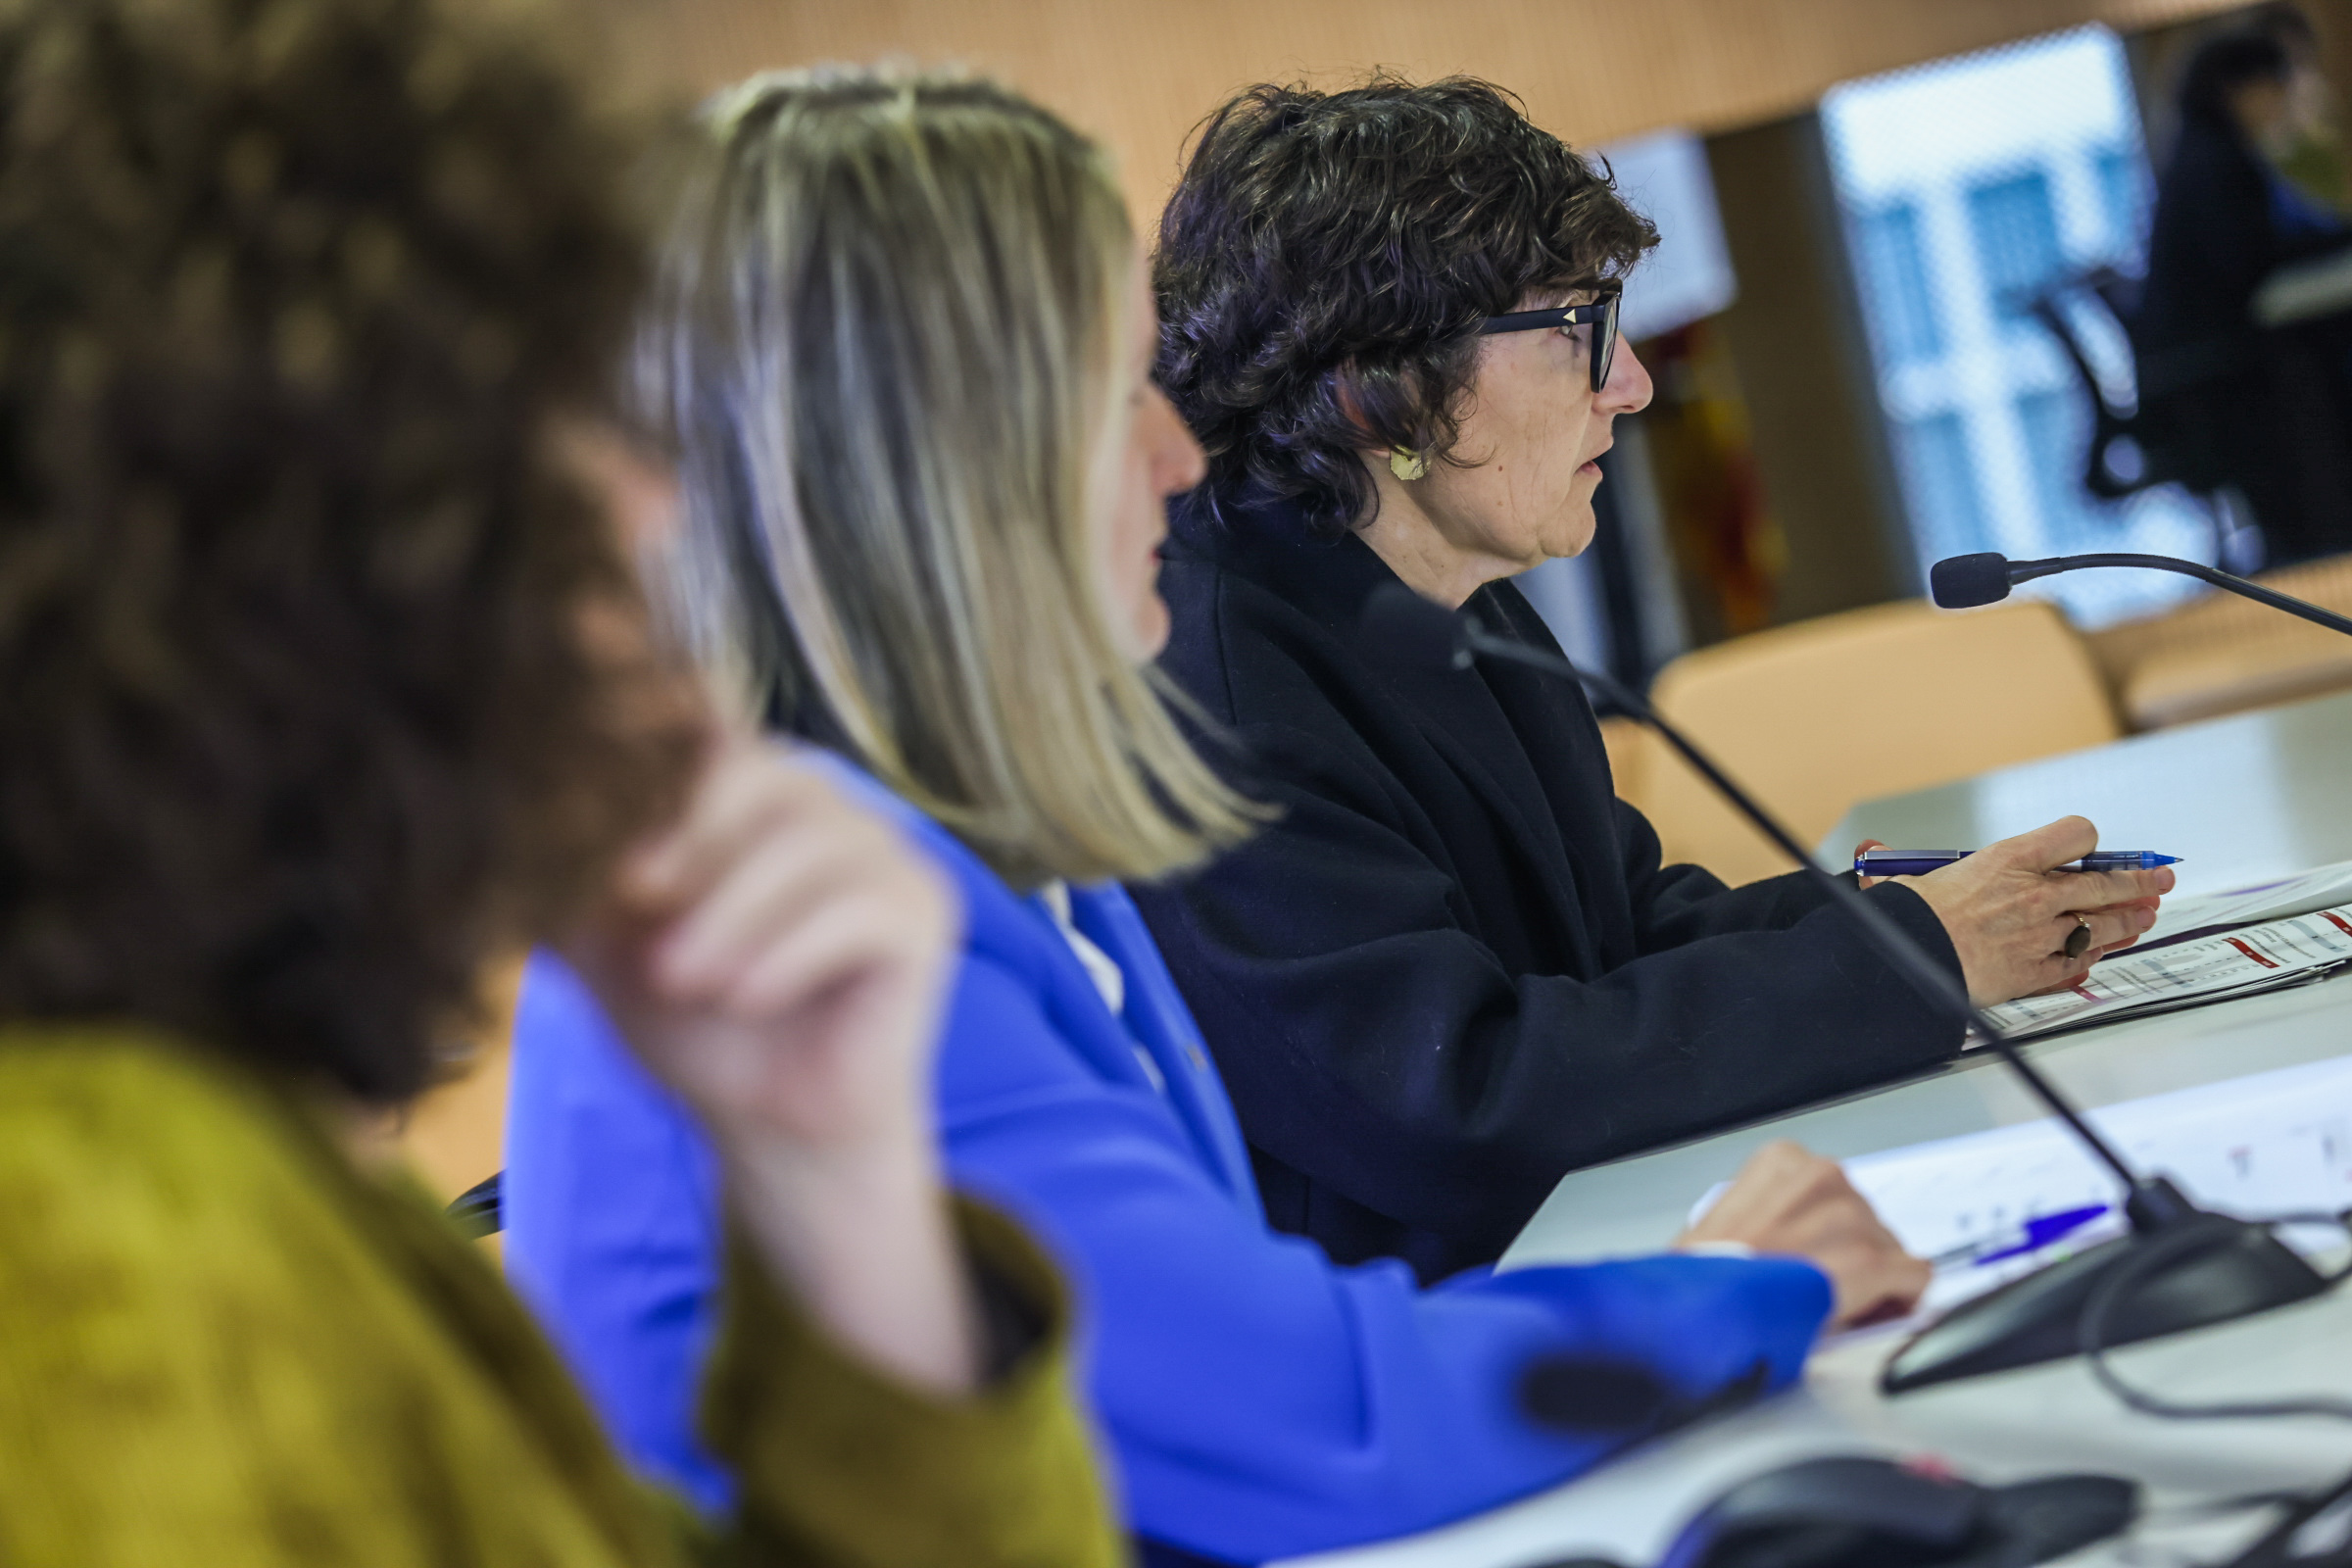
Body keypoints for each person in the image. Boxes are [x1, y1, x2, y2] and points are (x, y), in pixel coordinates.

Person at [503, 67, 1935, 1568]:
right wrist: (1729, 1290)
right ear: (934, 461)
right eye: (1117, 392)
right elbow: (1307, 1420)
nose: (1181, 458)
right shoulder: (806, 919)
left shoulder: (974, 850)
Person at [0, 2, 1119, 1563]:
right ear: (274, 538)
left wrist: (837, 1188)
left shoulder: (219, 1157)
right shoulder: (102, 1257)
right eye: (555, 431)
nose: (651, 507)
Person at [1137, 77, 2176, 1286]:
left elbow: (1620, 937)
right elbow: (1461, 1100)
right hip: (1468, 1356)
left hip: (1596, 1259)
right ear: (1382, 385)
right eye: (1578, 328)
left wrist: (1954, 919)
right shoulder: (1212, 688)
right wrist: (1908, 960)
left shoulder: (1440, 593)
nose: (1629, 381)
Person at [2139, 26, 2352, 564]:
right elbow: (2254, 263)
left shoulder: (2213, 154)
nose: (2286, 99)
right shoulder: (2214, 164)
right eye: (2278, 83)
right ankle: (2328, 546)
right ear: (2240, 89)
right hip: (2230, 386)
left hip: (2227, 371)